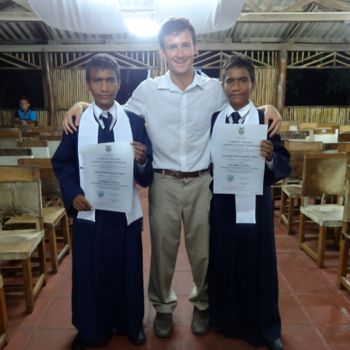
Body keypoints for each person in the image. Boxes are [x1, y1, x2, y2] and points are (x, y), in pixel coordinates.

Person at [62, 17, 283, 338]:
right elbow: (114, 108)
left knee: (203, 251)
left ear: (195, 47)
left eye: (185, 45)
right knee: (163, 251)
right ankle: (163, 308)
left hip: (203, 182)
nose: (179, 52)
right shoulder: (148, 90)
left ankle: (203, 304)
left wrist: (269, 106)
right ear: (162, 52)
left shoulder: (213, 90)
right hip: (162, 181)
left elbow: (241, 101)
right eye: (172, 46)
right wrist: (81, 102)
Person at [52, 53, 153, 349]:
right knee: (90, 273)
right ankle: (91, 328)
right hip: (90, 212)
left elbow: (147, 172)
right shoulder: (76, 123)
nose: (105, 87)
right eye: (97, 80)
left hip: (124, 214)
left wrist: (144, 158)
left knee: (127, 270)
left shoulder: (134, 122)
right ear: (88, 84)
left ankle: (130, 324)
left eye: (110, 80)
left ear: (119, 83)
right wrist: (73, 194)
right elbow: (64, 164)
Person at [209, 55, 290, 350]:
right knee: (225, 259)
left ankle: (267, 328)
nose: (236, 86)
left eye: (243, 80)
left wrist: (270, 157)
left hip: (256, 203)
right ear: (223, 84)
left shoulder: (265, 120)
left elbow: (283, 162)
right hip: (223, 203)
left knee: (261, 263)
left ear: (253, 84)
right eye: (230, 80)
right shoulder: (214, 120)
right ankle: (227, 320)